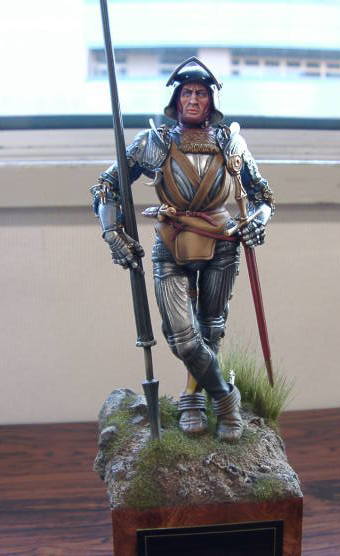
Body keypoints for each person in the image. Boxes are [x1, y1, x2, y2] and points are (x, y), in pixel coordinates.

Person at [91, 57, 275, 441]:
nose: (193, 99)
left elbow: (262, 195)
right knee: (182, 337)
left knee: (211, 328)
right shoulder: (153, 142)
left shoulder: (231, 142)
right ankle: (224, 397)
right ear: (176, 99)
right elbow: (108, 187)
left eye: (201, 93)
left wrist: (258, 220)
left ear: (211, 101)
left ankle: (193, 398)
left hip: (222, 242)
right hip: (171, 242)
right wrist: (112, 232)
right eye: (187, 92)